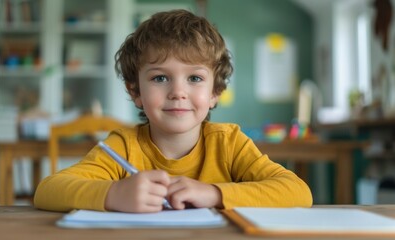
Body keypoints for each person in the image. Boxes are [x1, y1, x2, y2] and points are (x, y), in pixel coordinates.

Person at [34, 9, 312, 213]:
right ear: (136, 92)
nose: (178, 92)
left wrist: (215, 193)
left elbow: (298, 192)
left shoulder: (229, 143)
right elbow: (48, 191)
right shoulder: (123, 146)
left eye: (194, 78)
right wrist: (114, 193)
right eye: (159, 78)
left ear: (215, 93)